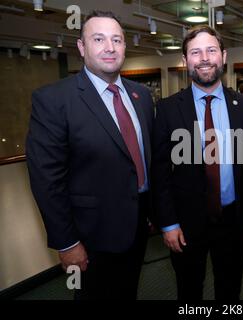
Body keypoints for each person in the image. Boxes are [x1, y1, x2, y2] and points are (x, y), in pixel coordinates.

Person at [26, 10, 154, 300]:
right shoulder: (53, 100)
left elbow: (145, 160)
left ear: (124, 47)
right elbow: (47, 180)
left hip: (137, 228)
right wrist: (67, 242)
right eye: (99, 39)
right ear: (82, 48)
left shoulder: (141, 96)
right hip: (90, 237)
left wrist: (150, 210)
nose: (110, 47)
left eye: (117, 40)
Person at [152, 25, 243, 300]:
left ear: (223, 56)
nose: (204, 58)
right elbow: (160, 172)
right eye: (195, 52)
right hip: (186, 225)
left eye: (211, 50)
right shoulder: (167, 109)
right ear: (185, 60)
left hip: (232, 219)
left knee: (230, 287)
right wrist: (167, 223)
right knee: (189, 291)